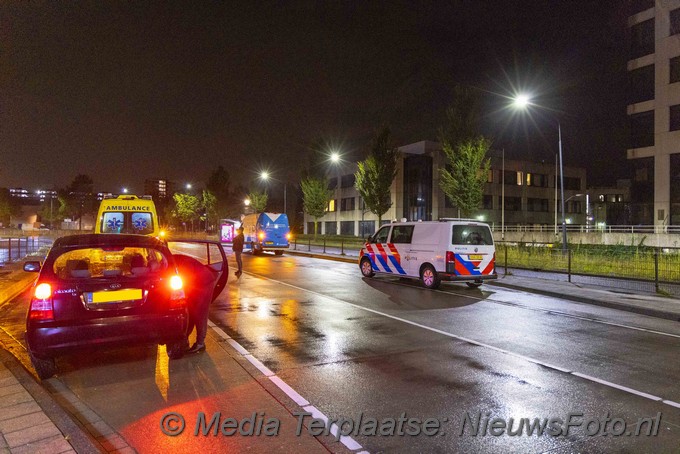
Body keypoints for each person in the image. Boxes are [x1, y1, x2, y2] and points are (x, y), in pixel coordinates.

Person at [173, 254, 218, 354]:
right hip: (198, 282)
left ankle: (200, 344)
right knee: (191, 312)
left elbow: (187, 281)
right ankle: (185, 340)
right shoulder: (174, 261)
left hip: (205, 283)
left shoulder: (179, 263)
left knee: (200, 313)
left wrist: (184, 296)